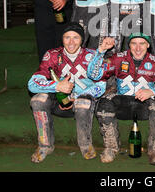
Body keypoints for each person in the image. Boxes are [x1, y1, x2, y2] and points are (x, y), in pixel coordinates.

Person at [87, 32, 155, 165]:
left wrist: (152, 91)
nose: (138, 48)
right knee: (103, 103)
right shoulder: (118, 58)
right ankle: (111, 148)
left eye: (142, 43)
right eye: (134, 43)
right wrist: (100, 51)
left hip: (145, 106)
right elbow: (93, 74)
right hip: (123, 104)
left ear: (148, 45)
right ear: (129, 45)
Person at [28, 22, 106, 163]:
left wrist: (81, 94)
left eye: (75, 37)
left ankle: (85, 145)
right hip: (60, 100)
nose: (71, 42)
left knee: (83, 103)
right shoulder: (52, 55)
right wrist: (57, 86)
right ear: (62, 39)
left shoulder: (93, 55)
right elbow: (32, 83)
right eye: (67, 37)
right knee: (37, 100)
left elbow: (102, 84)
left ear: (82, 40)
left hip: (82, 103)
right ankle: (45, 145)